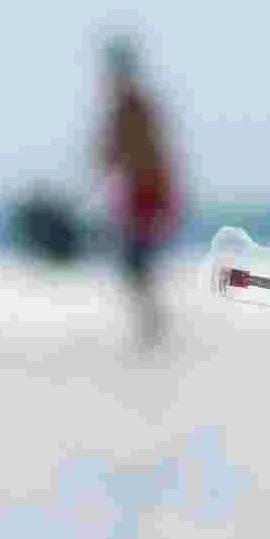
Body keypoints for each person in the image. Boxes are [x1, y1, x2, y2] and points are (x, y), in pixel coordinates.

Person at [97, 37, 179, 347]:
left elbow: (136, 154)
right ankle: (150, 324)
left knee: (137, 262)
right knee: (136, 264)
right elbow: (109, 156)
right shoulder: (125, 109)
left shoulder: (136, 108)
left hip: (149, 196)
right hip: (139, 197)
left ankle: (152, 326)